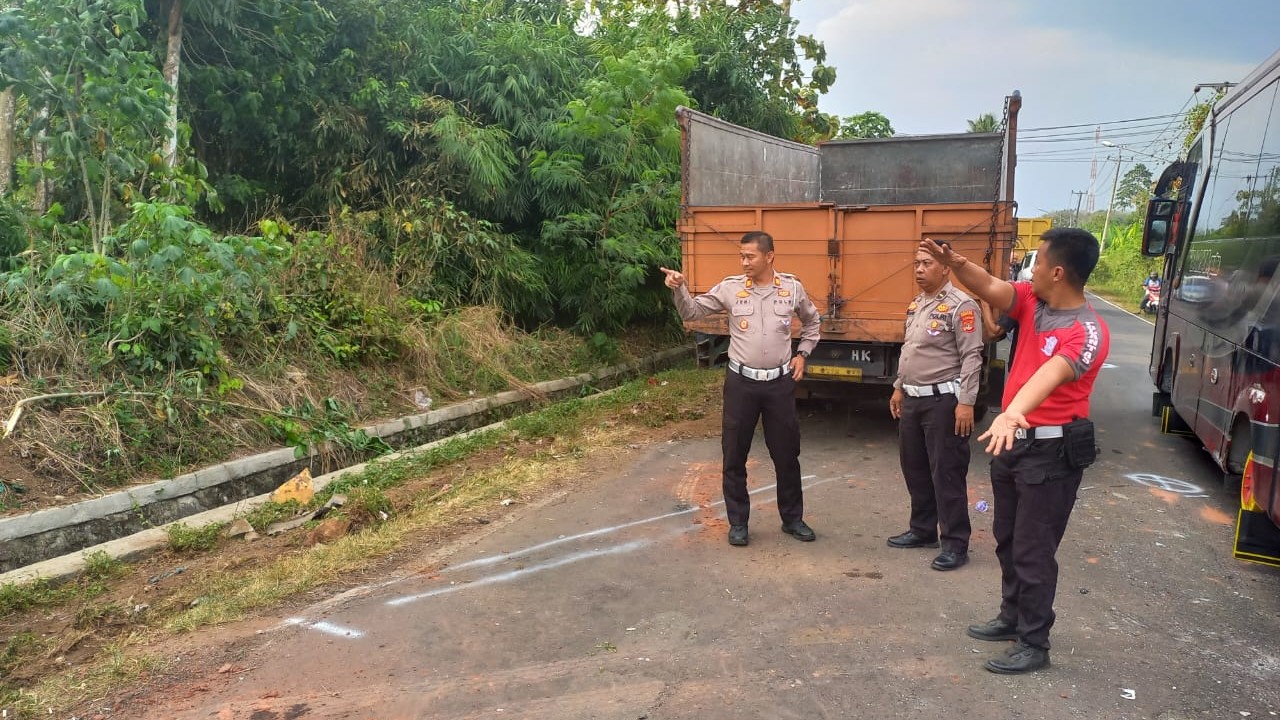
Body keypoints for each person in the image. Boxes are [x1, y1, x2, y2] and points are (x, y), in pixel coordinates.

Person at [918, 228, 1110, 675]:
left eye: (1038, 261)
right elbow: (988, 285)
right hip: (1013, 447)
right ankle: (1011, 616)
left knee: (1033, 549)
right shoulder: (1031, 301)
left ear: (1058, 271)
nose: (1032, 268)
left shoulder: (1087, 332)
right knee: (1007, 538)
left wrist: (1010, 412)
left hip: (1051, 453)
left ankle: (1034, 641)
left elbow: (1051, 376)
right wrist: (955, 261)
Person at [660, 232, 822, 547]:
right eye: (742, 256)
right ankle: (738, 523)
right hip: (741, 384)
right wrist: (679, 288)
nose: (744, 262)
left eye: (750, 256)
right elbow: (692, 312)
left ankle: (792, 519)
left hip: (779, 384)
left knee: (787, 454)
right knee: (734, 454)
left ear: (769, 256)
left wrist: (802, 354)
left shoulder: (791, 288)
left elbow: (813, 322)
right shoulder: (731, 289)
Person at [886, 241, 984, 571]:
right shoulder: (916, 305)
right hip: (913, 399)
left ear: (945, 268)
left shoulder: (962, 305)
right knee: (914, 466)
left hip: (944, 402)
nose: (918, 269)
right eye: (916, 263)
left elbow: (972, 356)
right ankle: (923, 530)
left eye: (926, 263)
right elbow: (909, 350)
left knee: (946, 473)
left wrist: (966, 402)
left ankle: (955, 543)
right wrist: (899, 387)